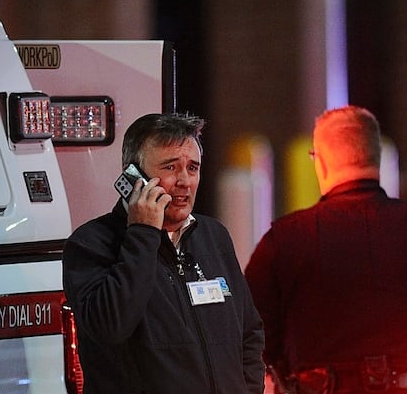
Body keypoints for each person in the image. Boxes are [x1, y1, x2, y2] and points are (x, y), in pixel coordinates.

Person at [245, 106, 407, 393]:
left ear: (321, 162)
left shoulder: (284, 240)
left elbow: (248, 336)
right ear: (376, 158)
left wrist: (284, 368)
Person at [63, 112, 265, 393]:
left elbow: (249, 333)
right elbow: (111, 326)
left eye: (192, 168)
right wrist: (143, 234)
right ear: (133, 176)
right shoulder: (90, 243)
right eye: (170, 167)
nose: (185, 181)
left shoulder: (214, 236)